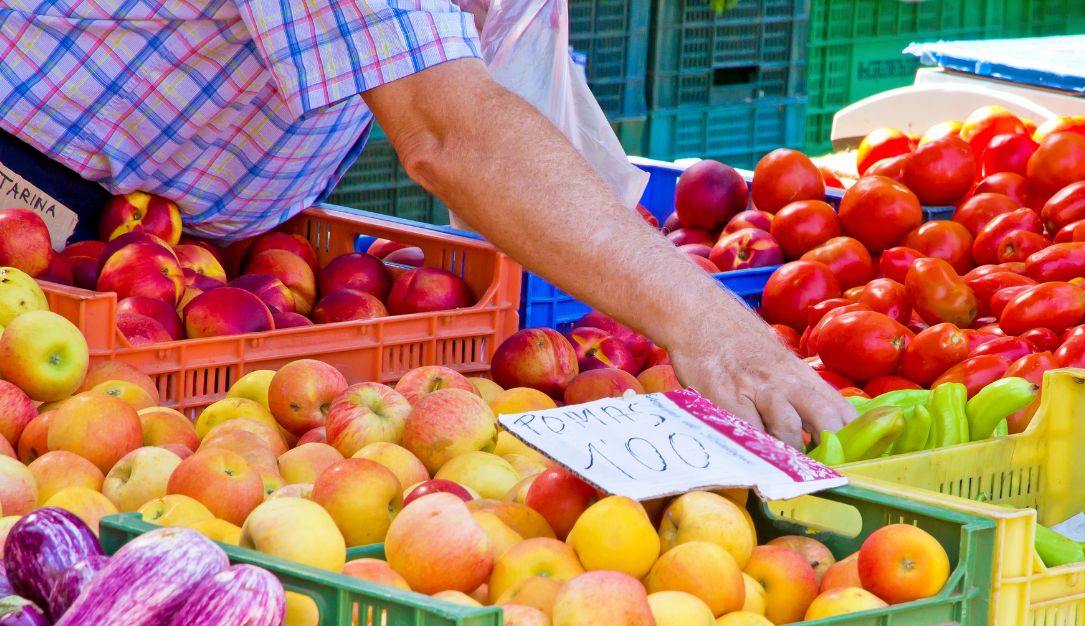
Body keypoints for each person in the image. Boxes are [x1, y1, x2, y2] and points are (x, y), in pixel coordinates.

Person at [0, 1, 855, 449]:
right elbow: (451, 131)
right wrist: (709, 327)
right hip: (30, 203)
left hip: (191, 257)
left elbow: (499, 62)